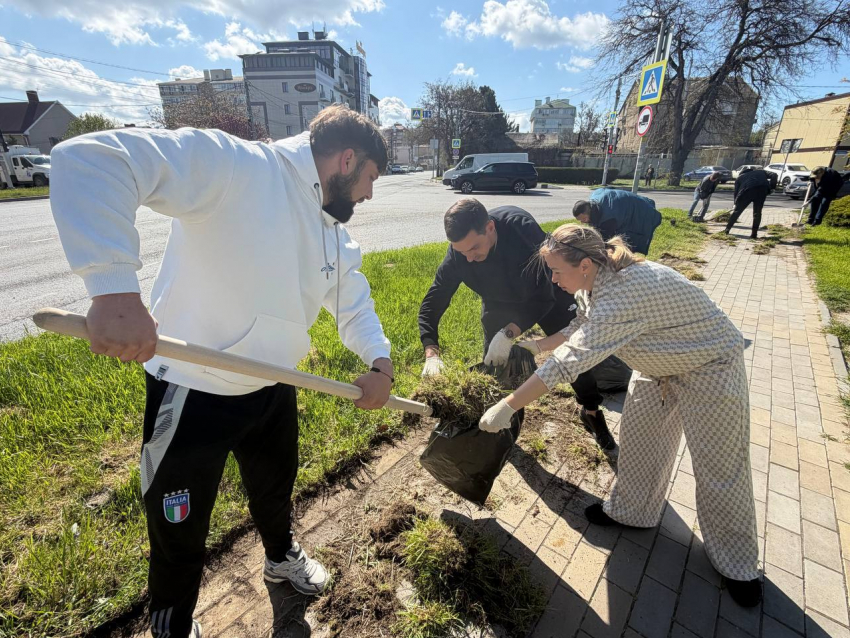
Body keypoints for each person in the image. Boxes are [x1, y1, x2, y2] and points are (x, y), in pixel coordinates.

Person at [49, 105, 395, 638]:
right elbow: (92, 158)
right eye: (371, 177)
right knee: (178, 529)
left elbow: (354, 304)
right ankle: (172, 623)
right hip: (193, 392)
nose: (369, 194)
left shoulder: (333, 231)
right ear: (348, 158)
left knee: (275, 491)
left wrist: (379, 362)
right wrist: (112, 286)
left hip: (274, 386)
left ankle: (280, 558)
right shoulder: (239, 167)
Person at [478, 224, 761, 607]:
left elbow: (570, 363)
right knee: (641, 447)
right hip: (659, 365)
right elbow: (581, 326)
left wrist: (508, 405)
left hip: (709, 365)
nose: (553, 279)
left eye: (557, 271)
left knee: (719, 467)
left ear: (584, 264)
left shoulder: (626, 292)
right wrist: (534, 345)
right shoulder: (594, 282)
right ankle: (633, 511)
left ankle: (737, 564)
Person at [418, 199, 617, 454]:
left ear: (490, 228)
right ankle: (502, 424)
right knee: (495, 367)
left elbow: (544, 295)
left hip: (549, 295)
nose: (469, 258)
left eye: (474, 248)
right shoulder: (459, 257)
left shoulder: (522, 230)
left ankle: (591, 412)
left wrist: (511, 331)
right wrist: (431, 353)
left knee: (574, 356)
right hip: (499, 303)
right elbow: (433, 302)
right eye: (461, 251)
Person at [572, 188, 662, 255]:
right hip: (627, 206)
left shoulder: (609, 219)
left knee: (627, 243)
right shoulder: (594, 198)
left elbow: (606, 242)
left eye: (583, 219)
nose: (582, 223)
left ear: (589, 212)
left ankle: (627, 265)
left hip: (642, 213)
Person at [724, 166, 770, 238]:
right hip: (762, 191)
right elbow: (774, 175)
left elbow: (736, 193)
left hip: (747, 192)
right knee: (757, 213)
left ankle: (727, 229)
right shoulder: (761, 172)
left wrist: (735, 204)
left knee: (737, 211)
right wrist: (772, 187)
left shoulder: (740, 178)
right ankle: (754, 234)